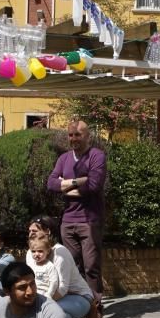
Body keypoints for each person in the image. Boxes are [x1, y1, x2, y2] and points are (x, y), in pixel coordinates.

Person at [47, 120, 107, 304]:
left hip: (89, 220)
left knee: (91, 268)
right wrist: (77, 181)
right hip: (67, 221)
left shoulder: (97, 156)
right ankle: (81, 306)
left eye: (78, 135)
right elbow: (50, 184)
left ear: (88, 136)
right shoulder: (64, 158)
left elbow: (93, 186)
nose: (74, 138)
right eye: (71, 135)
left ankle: (96, 311)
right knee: (73, 267)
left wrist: (64, 185)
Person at [26, 232, 95, 318]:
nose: (36, 254)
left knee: (51, 310)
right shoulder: (31, 254)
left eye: (35, 230)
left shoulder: (59, 254)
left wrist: (44, 302)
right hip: (51, 296)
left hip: (77, 296)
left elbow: (60, 287)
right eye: (34, 251)